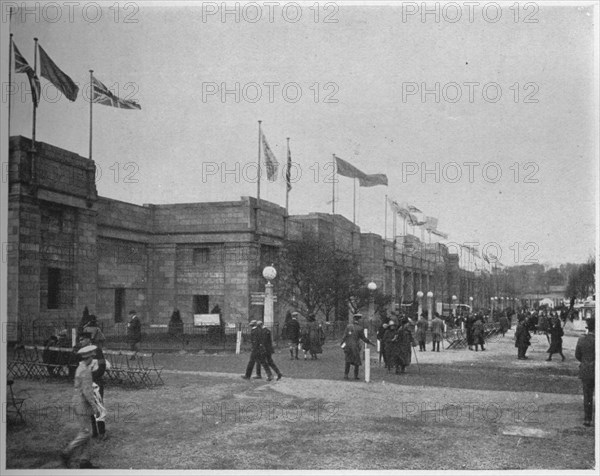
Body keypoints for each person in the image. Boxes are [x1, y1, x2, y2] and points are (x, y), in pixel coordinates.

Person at [60, 345, 102, 469]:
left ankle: (85, 461)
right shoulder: (86, 371)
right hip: (82, 403)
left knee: (87, 431)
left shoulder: (81, 367)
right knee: (86, 433)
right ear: (88, 358)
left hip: (79, 402)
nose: (93, 359)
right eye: (92, 357)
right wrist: (95, 408)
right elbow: (87, 392)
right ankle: (67, 452)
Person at [341, 314, 375, 380]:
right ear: (359, 320)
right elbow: (364, 338)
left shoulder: (348, 326)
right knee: (356, 361)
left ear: (353, 319)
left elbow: (344, 337)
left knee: (347, 361)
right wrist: (370, 343)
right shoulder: (360, 328)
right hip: (355, 347)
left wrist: (342, 345)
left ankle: (346, 375)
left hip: (348, 346)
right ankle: (355, 376)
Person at [575, 318, 595, 427]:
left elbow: (577, 355)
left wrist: (585, 362)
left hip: (586, 370)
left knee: (587, 395)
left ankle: (587, 419)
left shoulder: (582, 339)